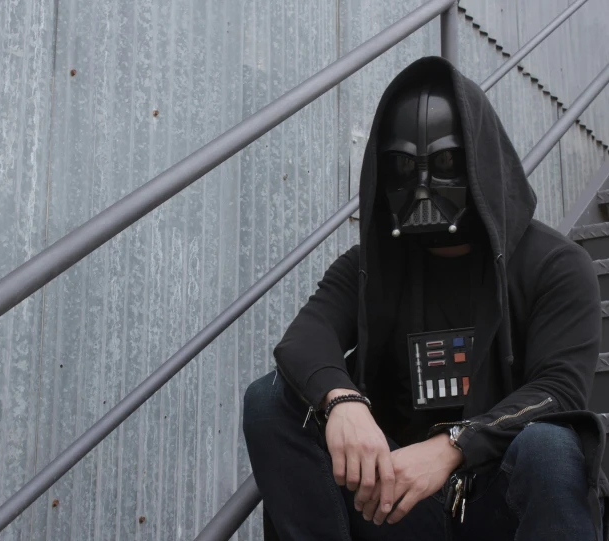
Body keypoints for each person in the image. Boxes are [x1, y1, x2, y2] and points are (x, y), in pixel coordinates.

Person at [243, 56, 609, 541]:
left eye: (444, 164)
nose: (421, 188)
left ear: (481, 161)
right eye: (399, 168)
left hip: (503, 502)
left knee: (551, 445)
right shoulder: (370, 265)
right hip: (401, 505)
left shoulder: (555, 264)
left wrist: (454, 446)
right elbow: (305, 339)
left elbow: (559, 390)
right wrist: (343, 401)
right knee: (272, 398)